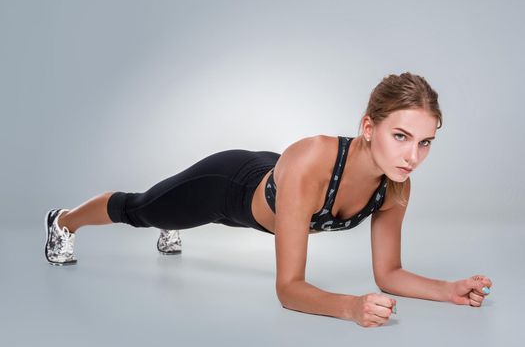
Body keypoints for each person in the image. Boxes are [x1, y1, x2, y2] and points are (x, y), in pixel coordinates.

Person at [44, 72, 493, 328]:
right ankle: (64, 221)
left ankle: (172, 222)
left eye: (425, 142)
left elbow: (388, 273)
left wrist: (447, 290)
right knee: (140, 209)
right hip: (227, 187)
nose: (413, 156)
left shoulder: (396, 184)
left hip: (275, 178)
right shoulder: (313, 160)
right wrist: (350, 307)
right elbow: (288, 289)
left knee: (164, 213)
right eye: (401, 136)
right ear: (369, 126)